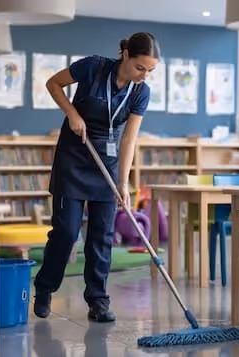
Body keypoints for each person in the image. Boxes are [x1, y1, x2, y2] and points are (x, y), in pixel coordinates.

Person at [33, 32, 160, 322]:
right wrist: (71, 113)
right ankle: (45, 286)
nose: (144, 76)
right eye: (140, 67)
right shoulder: (92, 67)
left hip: (107, 160)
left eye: (150, 71)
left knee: (101, 236)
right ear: (125, 54)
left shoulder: (141, 92)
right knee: (66, 233)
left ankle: (98, 301)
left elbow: (129, 139)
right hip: (73, 157)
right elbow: (53, 83)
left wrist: (123, 181)